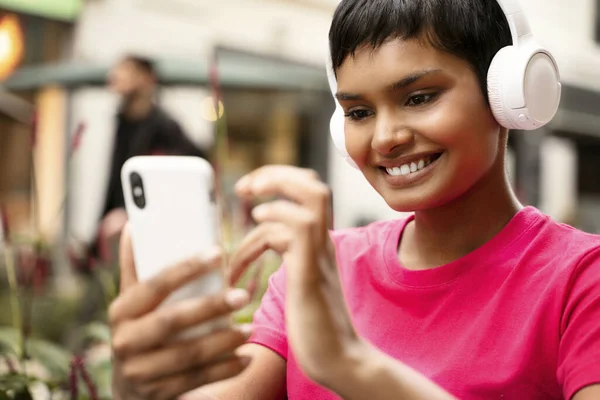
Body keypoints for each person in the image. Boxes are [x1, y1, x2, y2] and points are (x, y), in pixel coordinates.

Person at [108, 1, 600, 399]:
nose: (385, 137)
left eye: (419, 97)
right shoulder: (321, 267)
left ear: (507, 92)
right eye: (359, 111)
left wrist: (351, 365)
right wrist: (140, 385)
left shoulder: (582, 279)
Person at [97, 55, 207, 256]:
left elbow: (184, 173)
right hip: (115, 229)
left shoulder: (165, 127)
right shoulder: (122, 121)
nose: (115, 75)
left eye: (126, 70)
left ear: (146, 78)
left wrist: (127, 211)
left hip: (147, 229)